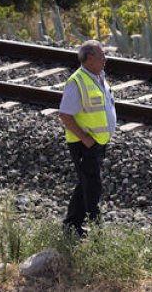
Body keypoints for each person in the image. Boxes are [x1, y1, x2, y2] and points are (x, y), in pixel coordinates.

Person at [59, 40, 116, 237]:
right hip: (84, 144)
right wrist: (85, 139)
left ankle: (71, 225)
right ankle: (98, 231)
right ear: (90, 58)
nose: (105, 59)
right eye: (102, 56)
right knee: (93, 186)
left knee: (85, 182)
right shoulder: (76, 82)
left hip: (98, 141)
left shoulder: (99, 77)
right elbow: (65, 115)